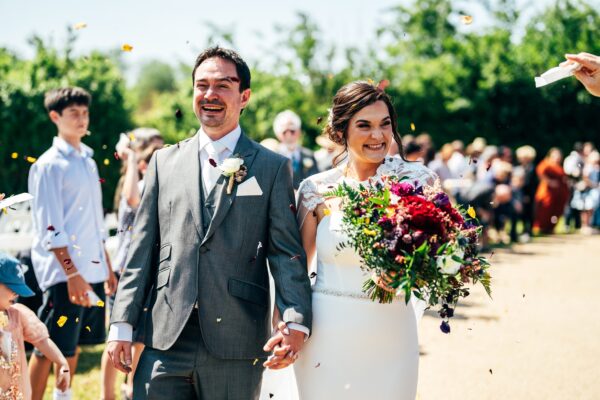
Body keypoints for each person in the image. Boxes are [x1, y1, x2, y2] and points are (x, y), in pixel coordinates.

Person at [106, 46, 312, 399]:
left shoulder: (272, 167)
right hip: (164, 337)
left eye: (222, 85)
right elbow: (142, 250)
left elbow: (285, 253)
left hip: (237, 338)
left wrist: (294, 320)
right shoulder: (162, 162)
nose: (210, 95)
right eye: (201, 85)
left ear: (244, 96)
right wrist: (122, 324)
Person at [290, 81, 437, 399]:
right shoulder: (316, 189)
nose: (378, 135)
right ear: (341, 131)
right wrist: (288, 327)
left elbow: (441, 256)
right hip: (326, 337)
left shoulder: (418, 182)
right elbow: (296, 269)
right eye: (364, 125)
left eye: (385, 124)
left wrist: (410, 271)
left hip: (391, 334)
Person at [27, 87, 117, 400]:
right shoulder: (48, 165)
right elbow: (51, 229)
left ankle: (62, 396)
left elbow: (95, 222)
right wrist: (72, 274)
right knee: (47, 345)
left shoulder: (88, 161)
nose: (81, 119)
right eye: (73, 113)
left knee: (71, 343)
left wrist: (105, 265)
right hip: (64, 274)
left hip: (91, 270)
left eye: (85, 112)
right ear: (55, 117)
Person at [101, 137, 163, 400]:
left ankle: (131, 389)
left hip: (149, 273)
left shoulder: (160, 189)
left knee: (140, 338)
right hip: (125, 270)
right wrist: (131, 157)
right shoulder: (136, 186)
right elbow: (132, 198)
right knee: (115, 339)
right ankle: (107, 395)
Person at [0, 253, 71, 400]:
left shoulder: (18, 315)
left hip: (18, 394)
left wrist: (62, 362)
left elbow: (42, 340)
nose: (16, 293)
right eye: (11, 287)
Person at [273, 110, 319, 189]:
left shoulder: (309, 155)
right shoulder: (273, 157)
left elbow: (316, 180)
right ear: (278, 134)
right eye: (284, 132)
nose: (288, 135)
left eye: (292, 131)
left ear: (299, 131)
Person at [533, 148, 570, 234]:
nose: (557, 158)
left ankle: (550, 228)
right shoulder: (546, 164)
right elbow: (540, 173)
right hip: (548, 193)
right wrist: (549, 182)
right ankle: (541, 227)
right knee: (545, 210)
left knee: (556, 211)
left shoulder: (559, 167)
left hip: (558, 194)